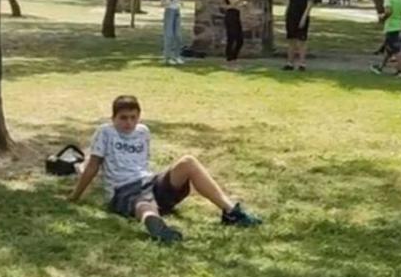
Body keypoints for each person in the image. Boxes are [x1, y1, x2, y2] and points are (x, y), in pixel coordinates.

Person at [68, 95, 263, 243]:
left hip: (149, 181)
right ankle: (156, 225)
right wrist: (75, 196)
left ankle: (231, 212)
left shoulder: (143, 132)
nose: (128, 123)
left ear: (139, 117)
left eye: (133, 118)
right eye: (123, 118)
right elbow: (93, 165)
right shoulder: (105, 132)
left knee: (188, 161)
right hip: (122, 188)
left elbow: (142, 164)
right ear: (113, 118)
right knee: (143, 203)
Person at [370, 0, 401, 74]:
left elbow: (389, 11)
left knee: (395, 48)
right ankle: (380, 67)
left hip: (391, 25)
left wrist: (382, 16)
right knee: (389, 48)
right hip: (400, 23)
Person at [284, 0, 316, 71]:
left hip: (301, 16)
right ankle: (289, 63)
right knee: (291, 39)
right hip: (291, 16)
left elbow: (309, 4)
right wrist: (286, 12)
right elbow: (289, 0)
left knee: (301, 41)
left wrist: (304, 17)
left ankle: (302, 64)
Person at [161, 0, 184, 65]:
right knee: (169, 35)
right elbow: (162, 2)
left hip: (177, 12)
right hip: (170, 11)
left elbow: (179, 0)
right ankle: (167, 57)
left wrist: (179, 4)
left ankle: (177, 56)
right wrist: (169, 2)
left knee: (178, 36)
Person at [222, 0, 245, 66]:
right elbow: (232, 2)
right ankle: (229, 59)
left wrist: (242, 4)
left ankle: (234, 57)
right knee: (232, 38)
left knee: (240, 39)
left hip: (236, 14)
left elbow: (234, 4)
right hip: (230, 15)